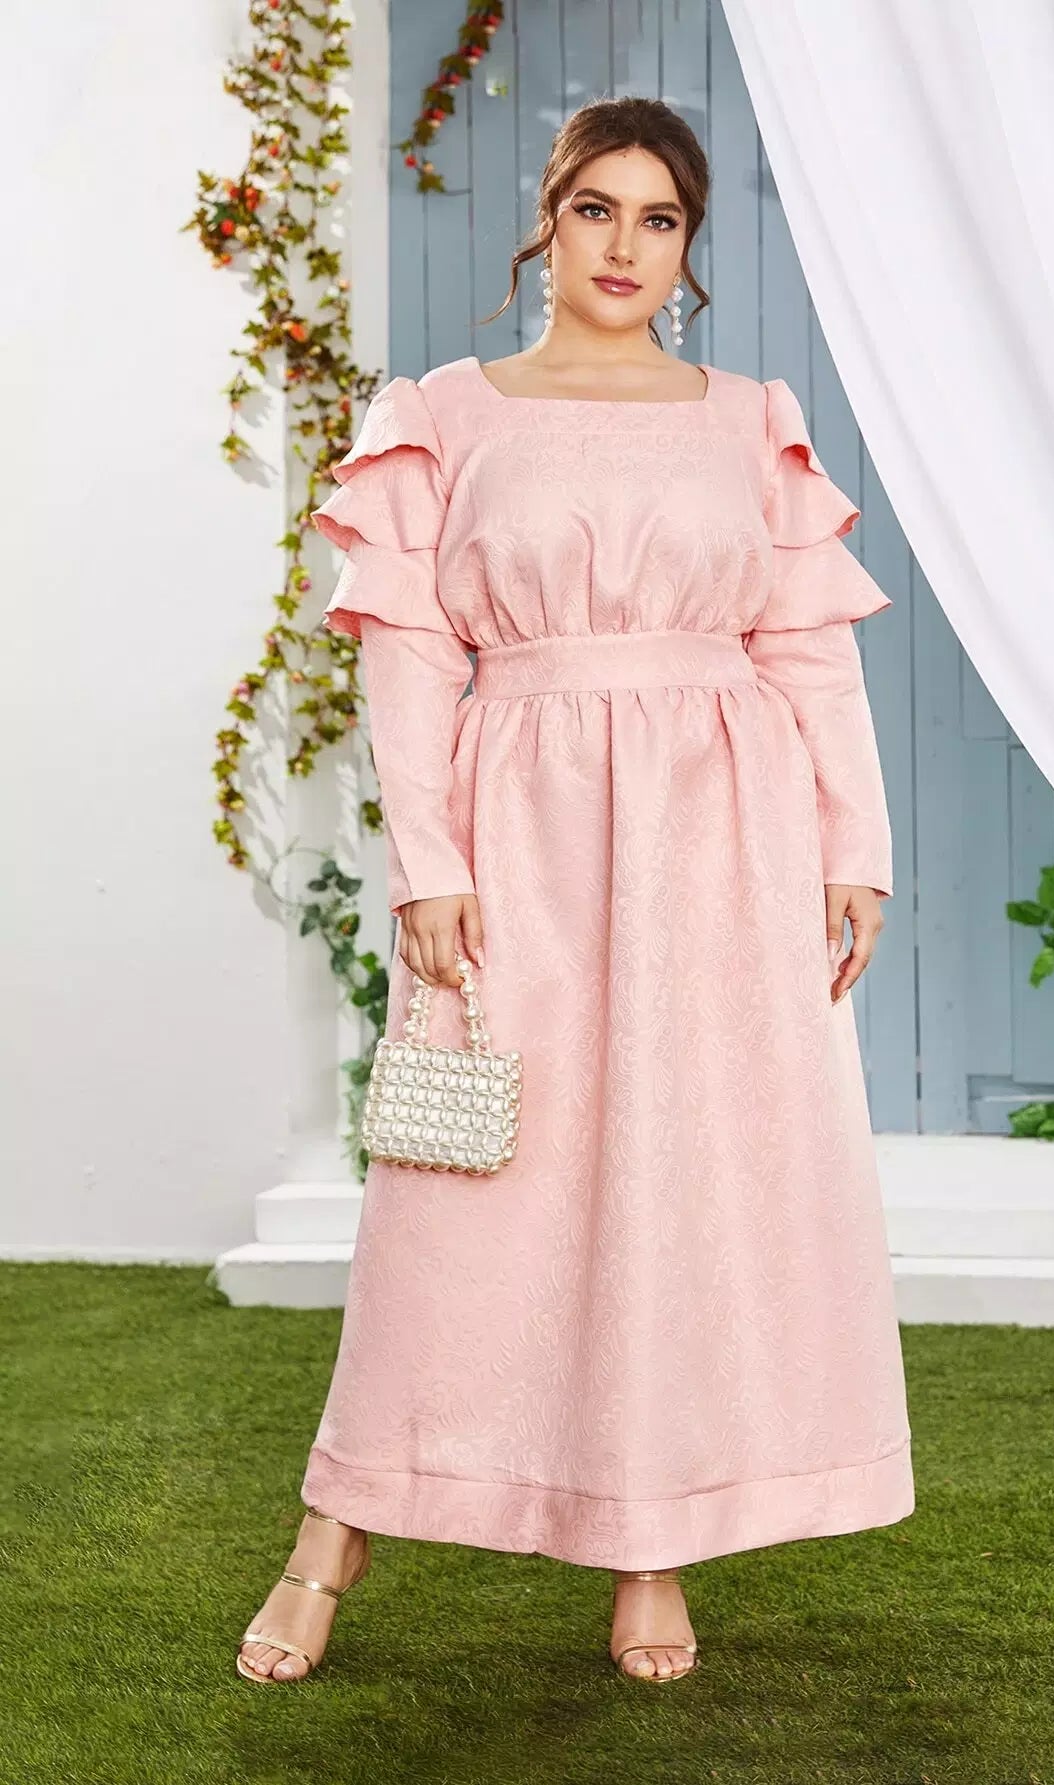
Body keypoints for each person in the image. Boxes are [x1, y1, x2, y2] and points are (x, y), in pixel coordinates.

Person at [237, 94, 914, 1689]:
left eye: (659, 218)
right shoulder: (445, 416)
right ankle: (334, 1529)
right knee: (468, 1191)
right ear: (546, 220)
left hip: (724, 829)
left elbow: (809, 651)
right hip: (521, 820)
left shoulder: (748, 419)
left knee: (680, 1176)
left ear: (689, 246)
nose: (625, 245)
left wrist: (854, 847)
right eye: (596, 208)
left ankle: (649, 1543)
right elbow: (411, 661)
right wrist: (428, 864)